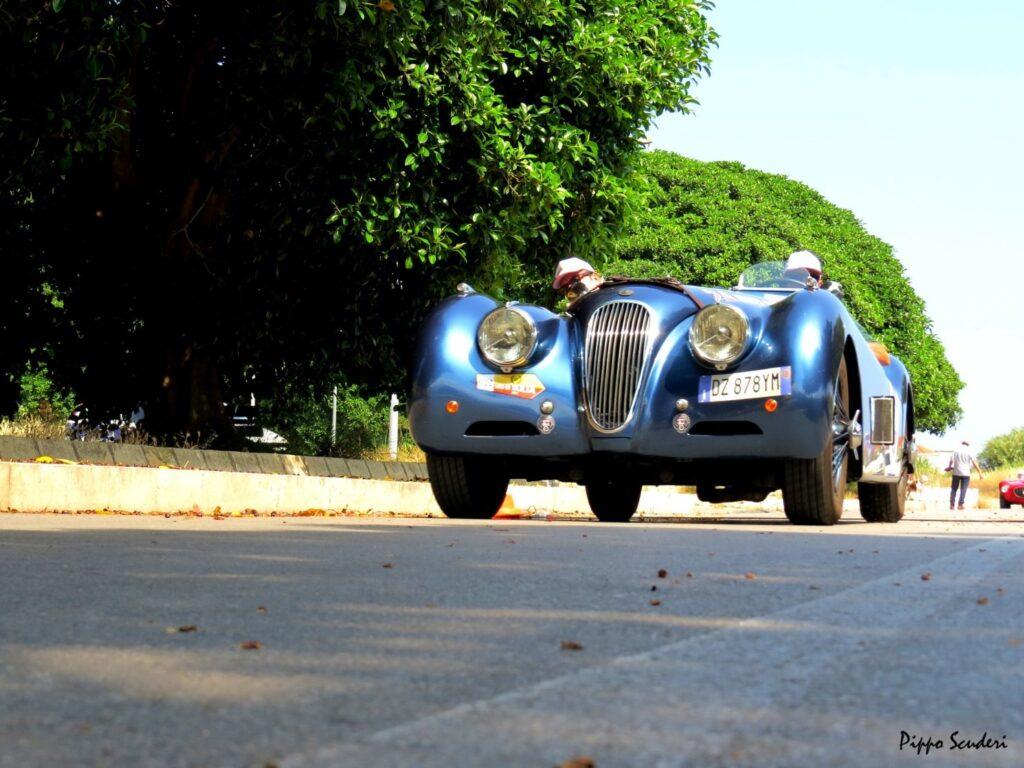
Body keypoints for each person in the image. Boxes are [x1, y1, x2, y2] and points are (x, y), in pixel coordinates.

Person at [946, 440, 983, 510]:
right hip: (965, 473)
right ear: (968, 444)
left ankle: (952, 505)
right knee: (963, 489)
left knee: (954, 489)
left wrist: (949, 467)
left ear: (962, 443)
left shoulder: (956, 450)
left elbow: (951, 460)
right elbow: (974, 462)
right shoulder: (969, 451)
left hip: (956, 472)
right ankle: (960, 504)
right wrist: (979, 472)